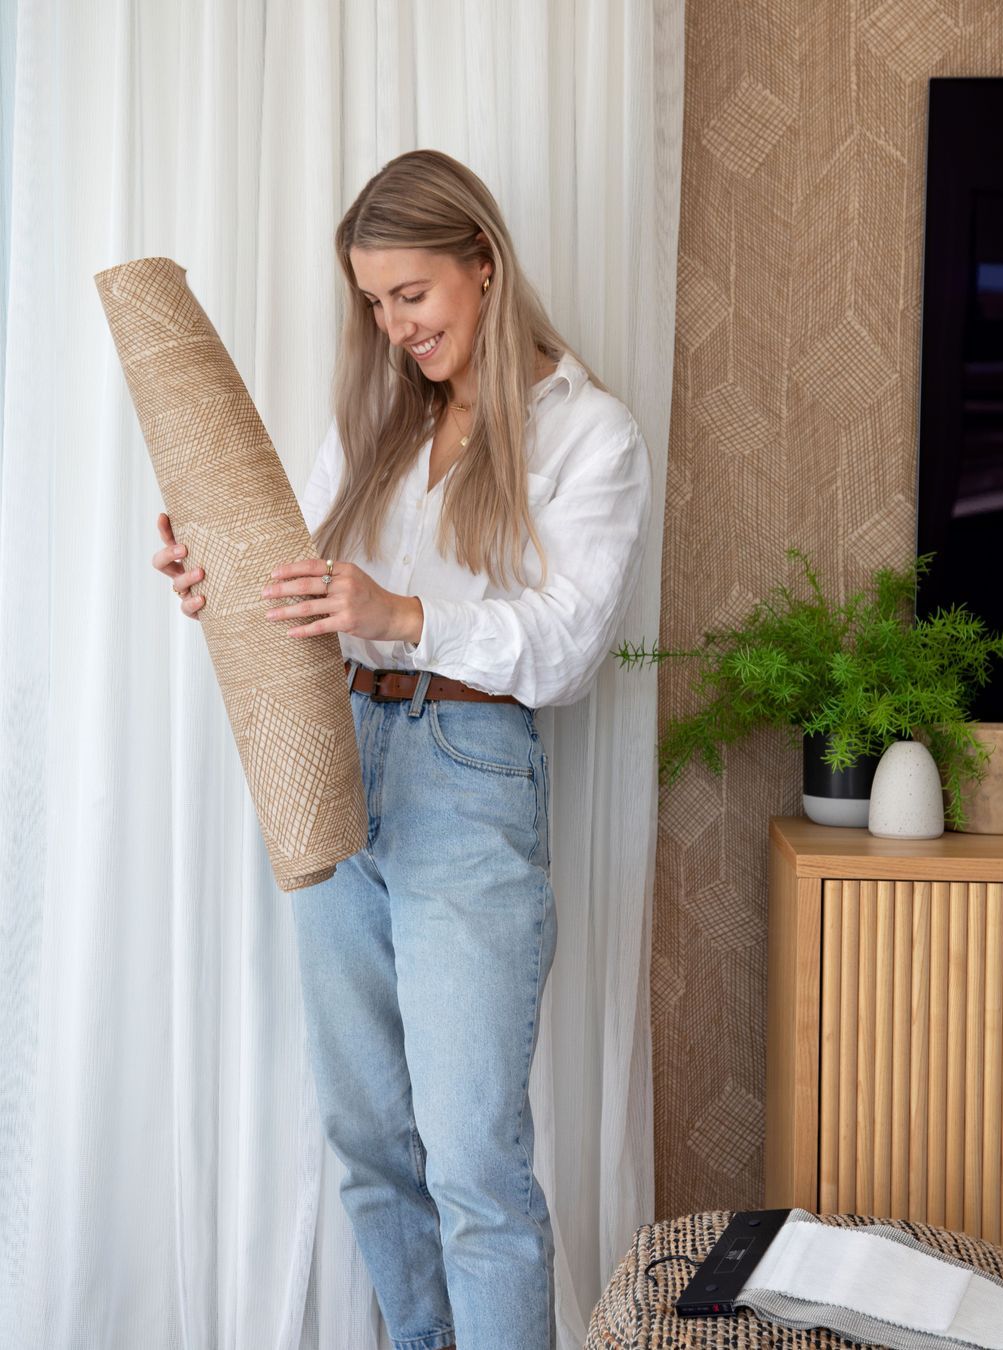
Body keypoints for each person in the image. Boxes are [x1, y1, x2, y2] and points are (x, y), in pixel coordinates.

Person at [151, 148, 651, 1350]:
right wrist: (216, 577)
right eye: (373, 304)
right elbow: (308, 594)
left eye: (410, 296)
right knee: (370, 1140)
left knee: (474, 1160)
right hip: (336, 756)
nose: (391, 328)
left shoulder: (593, 435)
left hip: (470, 778)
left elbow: (572, 646)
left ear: (484, 266)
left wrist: (404, 617)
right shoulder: (376, 419)